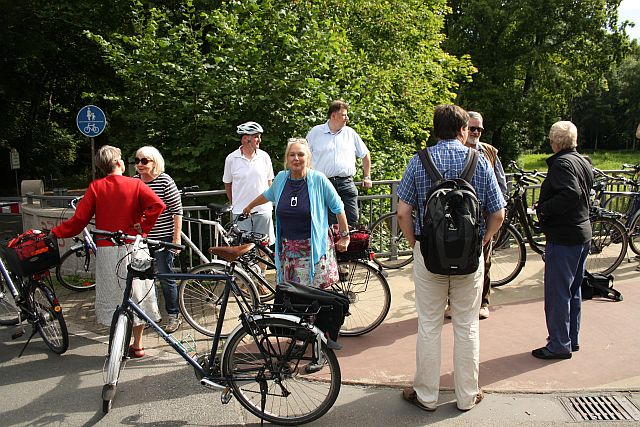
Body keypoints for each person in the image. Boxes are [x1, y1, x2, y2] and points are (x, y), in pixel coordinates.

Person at [396, 105, 505, 411]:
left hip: (429, 254)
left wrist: (416, 244)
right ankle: (468, 396)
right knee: (467, 325)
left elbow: (403, 212)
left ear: (434, 129)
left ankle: (427, 397)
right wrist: (483, 241)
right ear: (462, 130)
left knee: (429, 326)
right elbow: (497, 213)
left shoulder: (419, 162)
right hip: (470, 258)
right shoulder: (479, 161)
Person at [51, 145, 165, 358]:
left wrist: (56, 232)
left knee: (114, 297)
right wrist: (143, 225)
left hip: (107, 250)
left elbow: (78, 222)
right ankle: (138, 345)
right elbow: (158, 205)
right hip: (134, 246)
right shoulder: (135, 184)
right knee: (137, 293)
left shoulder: (96, 187)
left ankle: (116, 344)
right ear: (119, 163)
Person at [242, 138, 350, 288]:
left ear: (308, 158)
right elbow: (267, 195)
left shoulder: (318, 180)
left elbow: (338, 208)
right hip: (288, 251)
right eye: (292, 155)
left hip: (314, 249)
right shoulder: (281, 178)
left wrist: (345, 237)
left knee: (313, 298)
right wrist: (249, 207)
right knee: (293, 297)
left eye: (300, 154)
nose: (296, 158)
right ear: (287, 158)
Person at [531, 121, 593, 360]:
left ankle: (559, 344)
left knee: (558, 294)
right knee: (573, 290)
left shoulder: (562, 164)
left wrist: (544, 209)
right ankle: (570, 339)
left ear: (554, 140)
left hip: (565, 237)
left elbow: (570, 193)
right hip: (581, 234)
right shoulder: (581, 161)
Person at [461, 111, 508, 320]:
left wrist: (496, 211)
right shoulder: (457, 150)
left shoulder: (489, 152)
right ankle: (455, 304)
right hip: (460, 215)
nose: (476, 132)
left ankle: (483, 302)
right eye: (472, 128)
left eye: (479, 129)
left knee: (485, 260)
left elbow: (501, 184)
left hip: (484, 215)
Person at [133, 146, 183, 334]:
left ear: (154, 162)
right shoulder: (134, 182)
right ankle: (150, 315)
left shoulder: (164, 181)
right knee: (144, 279)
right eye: (137, 160)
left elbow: (177, 211)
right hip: (142, 239)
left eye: (144, 161)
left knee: (165, 276)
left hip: (163, 238)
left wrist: (176, 237)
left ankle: (173, 315)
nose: (139, 164)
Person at [306, 100, 372, 226]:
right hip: (324, 183)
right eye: (344, 115)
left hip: (346, 183)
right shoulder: (316, 132)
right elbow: (304, 154)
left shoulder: (350, 133)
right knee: (329, 223)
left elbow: (365, 154)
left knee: (352, 220)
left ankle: (350, 245)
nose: (346, 118)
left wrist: (367, 176)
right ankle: (331, 246)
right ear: (333, 116)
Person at [223, 121, 275, 248]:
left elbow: (270, 183)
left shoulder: (264, 157)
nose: (259, 140)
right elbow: (228, 184)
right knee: (242, 249)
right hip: (241, 212)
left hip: (263, 210)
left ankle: (262, 269)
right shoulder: (231, 158)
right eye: (256, 136)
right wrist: (235, 203)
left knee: (264, 248)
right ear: (246, 138)